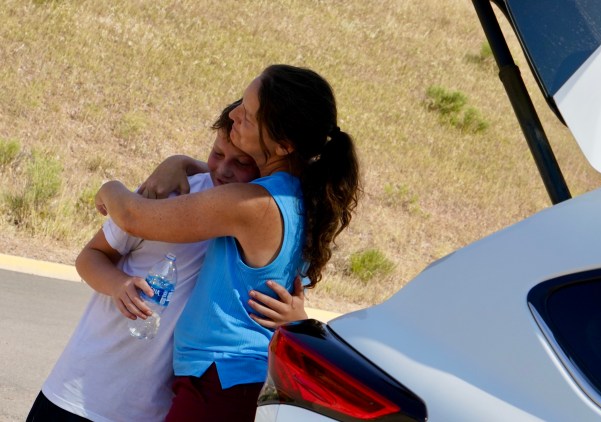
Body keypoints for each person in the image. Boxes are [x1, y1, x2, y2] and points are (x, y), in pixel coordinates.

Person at [94, 64, 361, 421]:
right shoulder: (298, 198)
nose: (234, 113)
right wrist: (180, 163)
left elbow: (133, 216)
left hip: (220, 382)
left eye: (248, 115)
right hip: (231, 380)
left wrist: (109, 188)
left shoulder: (254, 205)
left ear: (283, 144)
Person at [26, 100, 308, 422]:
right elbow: (90, 257)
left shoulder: (262, 219)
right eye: (216, 154)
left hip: (160, 409)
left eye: (241, 162)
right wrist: (118, 285)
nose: (223, 169)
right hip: (79, 392)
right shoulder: (165, 196)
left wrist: (297, 319)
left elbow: (285, 289)